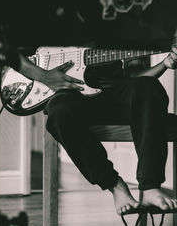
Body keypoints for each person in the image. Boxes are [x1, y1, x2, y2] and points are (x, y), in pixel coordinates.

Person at [17, 46, 177, 215]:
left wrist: (165, 64)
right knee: (59, 112)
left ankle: (150, 187)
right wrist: (44, 76)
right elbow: (13, 54)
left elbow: (136, 76)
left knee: (149, 87)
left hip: (117, 95)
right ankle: (114, 184)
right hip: (73, 96)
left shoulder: (124, 21)